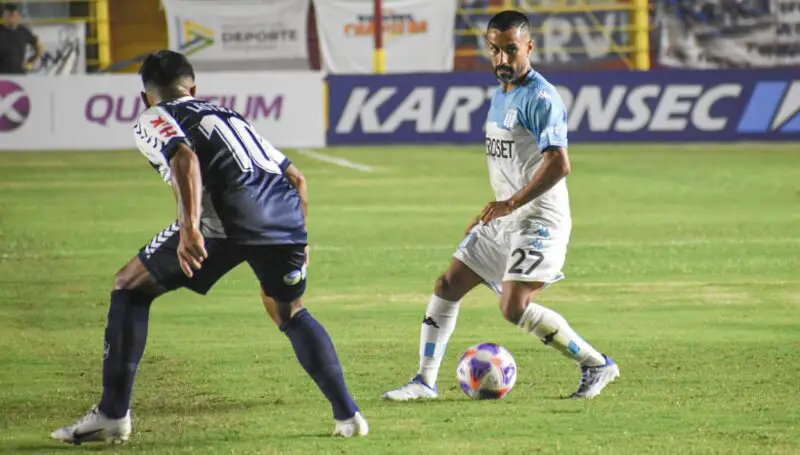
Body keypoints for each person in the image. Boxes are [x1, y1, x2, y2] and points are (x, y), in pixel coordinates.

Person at [50, 50, 368, 444]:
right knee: (287, 310)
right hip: (285, 218)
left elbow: (184, 157)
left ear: (145, 96)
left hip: (226, 219)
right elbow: (298, 178)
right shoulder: (230, 115)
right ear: (194, 88)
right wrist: (300, 238)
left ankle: (112, 416)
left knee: (128, 286)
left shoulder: (153, 117)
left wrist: (189, 229)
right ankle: (349, 416)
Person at [383, 10, 620, 402]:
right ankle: (425, 382)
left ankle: (596, 364)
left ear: (529, 47)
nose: (503, 60)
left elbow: (560, 164)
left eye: (511, 50)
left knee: (513, 306)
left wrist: (510, 203)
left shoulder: (541, 97)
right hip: (505, 216)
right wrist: (493, 210)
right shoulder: (501, 95)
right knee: (447, 285)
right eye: (495, 50)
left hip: (539, 217)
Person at [0, 3, 43, 74]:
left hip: (19, 75)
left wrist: (29, 63)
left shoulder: (24, 31)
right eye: (7, 16)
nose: (10, 18)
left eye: (12, 15)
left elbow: (40, 48)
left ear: (18, 16)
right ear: (3, 16)